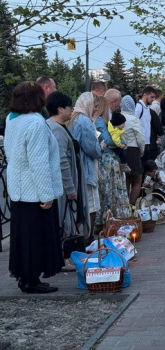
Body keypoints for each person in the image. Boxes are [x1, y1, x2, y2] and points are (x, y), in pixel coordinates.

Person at [6, 81, 64, 293]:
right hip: (35, 189)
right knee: (37, 236)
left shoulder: (12, 120)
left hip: (18, 187)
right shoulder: (37, 123)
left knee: (22, 236)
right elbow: (38, 162)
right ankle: (32, 279)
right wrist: (46, 194)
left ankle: (25, 276)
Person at [46, 91, 83, 271]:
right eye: (70, 107)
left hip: (59, 185)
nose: (72, 110)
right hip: (61, 186)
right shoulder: (56, 129)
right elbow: (62, 161)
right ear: (60, 109)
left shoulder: (54, 126)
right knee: (64, 219)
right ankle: (63, 257)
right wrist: (70, 188)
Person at [68, 92, 102, 240]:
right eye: (95, 106)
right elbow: (92, 148)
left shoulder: (73, 118)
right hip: (86, 168)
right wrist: (101, 147)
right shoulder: (84, 120)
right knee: (91, 204)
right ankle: (88, 238)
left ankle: (78, 237)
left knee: (79, 205)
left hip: (75, 168)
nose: (96, 110)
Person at [94, 96, 127, 228]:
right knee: (109, 190)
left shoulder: (103, 121)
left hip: (109, 160)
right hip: (107, 161)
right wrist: (120, 144)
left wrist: (121, 143)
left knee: (110, 190)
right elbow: (109, 140)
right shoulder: (100, 122)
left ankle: (110, 219)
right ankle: (110, 219)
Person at [120, 95, 146, 204]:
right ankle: (132, 205)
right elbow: (140, 137)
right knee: (137, 180)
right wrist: (141, 150)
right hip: (133, 149)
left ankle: (124, 205)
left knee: (125, 179)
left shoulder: (116, 117)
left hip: (121, 150)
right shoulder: (133, 119)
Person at [135, 86, 157, 162]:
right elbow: (134, 123)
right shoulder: (139, 107)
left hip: (147, 142)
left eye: (154, 97)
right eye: (152, 97)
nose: (153, 99)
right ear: (145, 95)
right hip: (141, 143)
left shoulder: (147, 108)